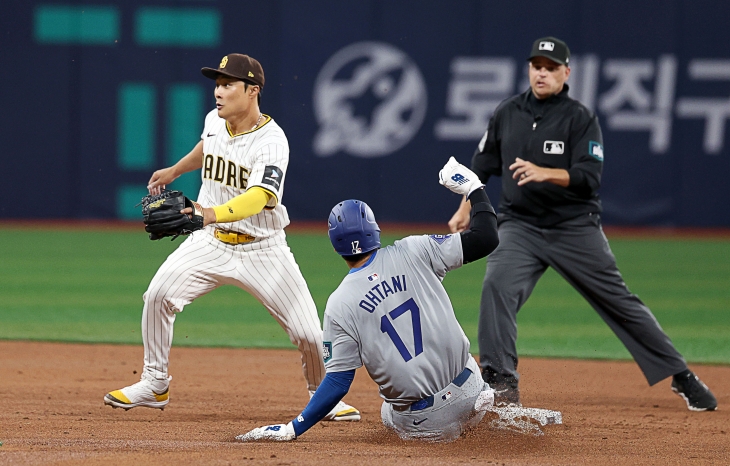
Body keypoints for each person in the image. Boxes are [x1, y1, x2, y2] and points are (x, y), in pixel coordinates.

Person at [448, 37, 717, 412]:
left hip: (573, 227)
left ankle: (681, 375)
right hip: (520, 225)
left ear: (566, 73)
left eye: (551, 67)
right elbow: (481, 167)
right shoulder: (507, 112)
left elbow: (589, 176)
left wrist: (545, 172)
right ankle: (500, 382)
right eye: (536, 65)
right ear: (529, 69)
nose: (542, 72)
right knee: (496, 285)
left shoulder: (579, 117)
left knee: (619, 301)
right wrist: (465, 207)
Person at [104, 53, 360, 421]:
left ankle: (326, 397)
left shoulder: (272, 142)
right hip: (210, 242)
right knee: (158, 295)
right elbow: (208, 147)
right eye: (217, 84)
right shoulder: (215, 120)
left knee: (308, 335)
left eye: (228, 85)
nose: (218, 92)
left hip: (263, 249)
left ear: (252, 90)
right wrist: (175, 170)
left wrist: (207, 213)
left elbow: (259, 197)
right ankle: (155, 383)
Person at [235, 158, 501, 442]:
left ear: (335, 245)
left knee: (388, 411)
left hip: (427, 419)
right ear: (374, 230)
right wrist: (473, 188)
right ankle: (485, 409)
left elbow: (338, 381)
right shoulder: (415, 249)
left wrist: (294, 427)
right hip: (470, 389)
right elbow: (486, 237)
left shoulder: (340, 303)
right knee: (463, 370)